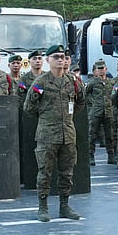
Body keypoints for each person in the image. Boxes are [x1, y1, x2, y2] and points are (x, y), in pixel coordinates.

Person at [23, 44, 85, 222]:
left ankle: (64, 205)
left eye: (63, 56)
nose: (60, 60)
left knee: (67, 172)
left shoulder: (73, 81)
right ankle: (43, 207)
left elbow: (80, 102)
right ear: (48, 60)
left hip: (68, 134)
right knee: (45, 172)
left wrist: (67, 118)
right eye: (56, 57)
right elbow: (29, 107)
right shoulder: (41, 82)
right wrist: (47, 118)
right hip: (47, 135)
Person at [86, 60, 116, 166]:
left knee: (110, 135)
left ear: (106, 69)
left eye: (102, 68)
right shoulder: (92, 82)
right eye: (99, 69)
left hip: (108, 112)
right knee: (92, 134)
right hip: (96, 112)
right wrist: (92, 103)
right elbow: (85, 94)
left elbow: (115, 95)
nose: (101, 71)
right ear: (96, 71)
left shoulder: (111, 82)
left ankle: (111, 156)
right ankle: (90, 156)